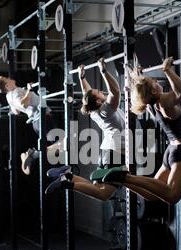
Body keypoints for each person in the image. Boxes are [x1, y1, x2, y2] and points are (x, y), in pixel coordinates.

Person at [98, 57, 181, 205]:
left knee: (151, 195)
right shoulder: (162, 102)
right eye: (155, 83)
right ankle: (126, 177)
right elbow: (180, 92)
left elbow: (144, 93)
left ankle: (121, 179)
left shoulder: (151, 105)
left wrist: (140, 77)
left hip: (171, 150)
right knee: (172, 196)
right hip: (179, 150)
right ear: (154, 91)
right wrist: (167, 71)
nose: (158, 82)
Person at [45, 58, 127, 201]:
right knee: (103, 194)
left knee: (96, 189)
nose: (102, 91)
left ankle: (69, 175)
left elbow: (87, 93)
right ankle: (66, 183)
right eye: (99, 93)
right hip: (114, 156)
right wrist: (104, 71)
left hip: (107, 154)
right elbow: (115, 90)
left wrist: (82, 77)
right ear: (98, 101)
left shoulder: (94, 111)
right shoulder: (105, 110)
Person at [0, 76, 62, 175]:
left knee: (58, 146)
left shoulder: (9, 96)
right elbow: (23, 104)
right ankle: (33, 155)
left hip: (37, 122)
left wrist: (26, 94)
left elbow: (16, 112)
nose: (9, 77)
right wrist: (29, 90)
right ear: (7, 86)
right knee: (61, 144)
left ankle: (34, 154)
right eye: (6, 78)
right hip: (42, 119)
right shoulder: (15, 92)